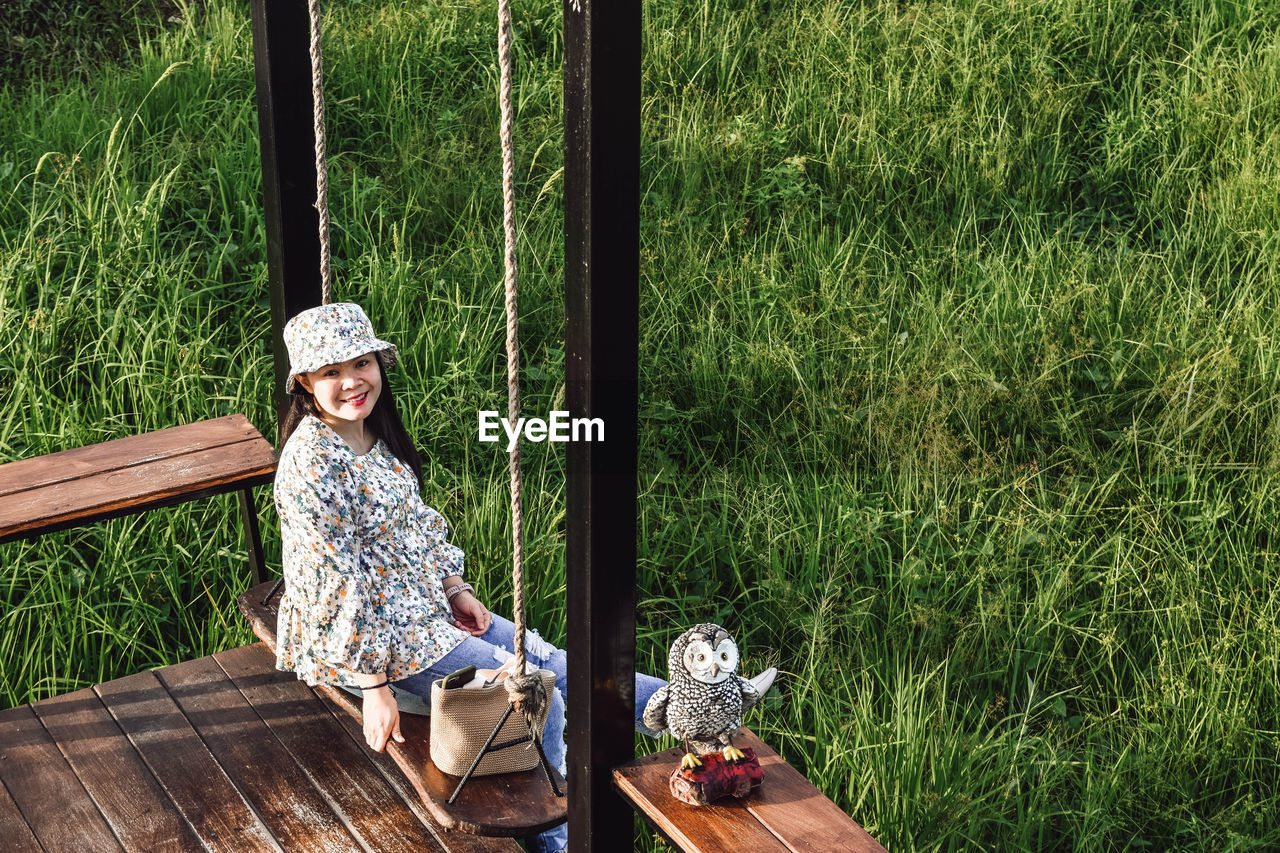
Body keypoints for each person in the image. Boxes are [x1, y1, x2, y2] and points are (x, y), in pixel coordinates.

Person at [272, 302, 667, 853]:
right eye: (330, 372)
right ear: (304, 383)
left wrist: (454, 587)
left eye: (361, 363)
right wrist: (374, 687)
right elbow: (335, 582)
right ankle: (555, 838)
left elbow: (415, 527)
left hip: (421, 613)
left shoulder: (371, 435)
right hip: (375, 643)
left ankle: (673, 706)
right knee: (535, 692)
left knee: (542, 657)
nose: (351, 381)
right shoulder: (313, 462)